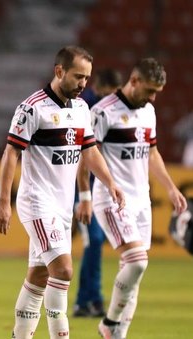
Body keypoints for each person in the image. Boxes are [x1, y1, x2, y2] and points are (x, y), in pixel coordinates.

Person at [0, 46, 125, 339]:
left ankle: (20, 335)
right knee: (63, 270)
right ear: (59, 71)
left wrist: (110, 182)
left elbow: (90, 151)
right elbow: (11, 152)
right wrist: (4, 201)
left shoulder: (80, 110)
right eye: (78, 76)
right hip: (37, 202)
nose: (83, 83)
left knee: (39, 276)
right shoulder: (32, 108)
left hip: (62, 206)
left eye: (87, 78)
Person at [90, 58, 187, 338]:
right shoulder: (103, 112)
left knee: (133, 274)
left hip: (142, 199)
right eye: (150, 90)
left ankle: (117, 334)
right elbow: (89, 154)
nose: (153, 97)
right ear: (134, 81)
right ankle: (108, 323)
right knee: (137, 261)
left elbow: (152, 153)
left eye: (157, 91)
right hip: (113, 198)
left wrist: (170, 187)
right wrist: (88, 192)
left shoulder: (149, 112)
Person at [73, 68, 123, 318]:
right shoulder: (87, 107)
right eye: (109, 94)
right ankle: (88, 299)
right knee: (93, 242)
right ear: (99, 88)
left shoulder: (103, 109)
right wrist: (83, 197)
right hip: (82, 192)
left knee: (95, 243)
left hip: (98, 190)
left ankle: (89, 300)